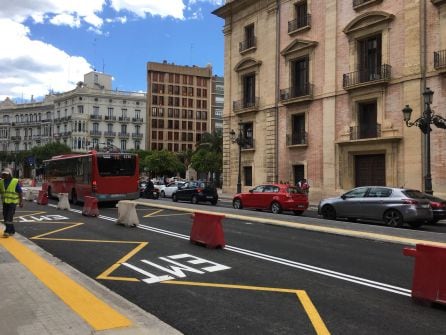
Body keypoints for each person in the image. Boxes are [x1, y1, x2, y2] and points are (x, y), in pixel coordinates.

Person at [0, 168, 23, 237]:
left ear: (9, 175)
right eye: (3, 174)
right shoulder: (1, 182)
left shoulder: (15, 181)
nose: (4, 175)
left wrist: (21, 202)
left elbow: (20, 192)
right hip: (5, 202)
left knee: (9, 217)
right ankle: (12, 230)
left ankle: (7, 231)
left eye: (5, 174)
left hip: (13, 202)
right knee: (5, 216)